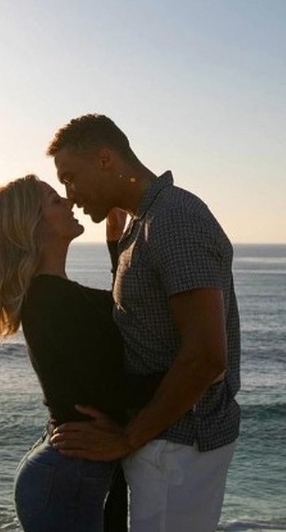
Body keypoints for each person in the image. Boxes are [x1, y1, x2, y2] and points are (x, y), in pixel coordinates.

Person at [46, 114, 241, 532]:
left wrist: (128, 438)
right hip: (165, 442)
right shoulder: (146, 224)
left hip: (179, 446)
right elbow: (148, 314)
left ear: (104, 160)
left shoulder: (174, 219)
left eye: (71, 178)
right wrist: (118, 247)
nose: (70, 195)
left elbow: (207, 357)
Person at [0, 174, 133, 532]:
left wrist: (115, 244)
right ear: (33, 224)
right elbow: (118, 365)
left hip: (65, 474)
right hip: (65, 481)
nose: (70, 202)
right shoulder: (51, 301)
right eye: (55, 200)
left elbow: (116, 316)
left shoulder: (53, 295)